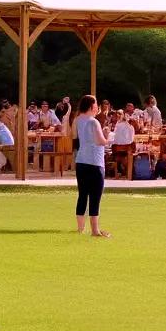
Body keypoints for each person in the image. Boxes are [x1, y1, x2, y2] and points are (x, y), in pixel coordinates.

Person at [73, 95, 110, 237]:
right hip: (95, 162)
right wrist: (106, 135)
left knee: (82, 195)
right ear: (91, 106)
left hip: (81, 161)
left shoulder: (78, 120)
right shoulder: (94, 122)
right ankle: (95, 230)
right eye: (96, 104)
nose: (97, 107)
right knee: (95, 196)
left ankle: (80, 228)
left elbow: (76, 137)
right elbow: (100, 141)